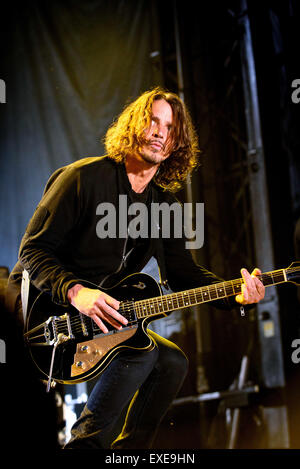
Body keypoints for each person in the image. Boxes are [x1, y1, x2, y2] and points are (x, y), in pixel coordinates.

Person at [6, 87, 265, 449]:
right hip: (41, 313)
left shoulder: (164, 206)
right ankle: (84, 445)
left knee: (172, 362)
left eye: (170, 128)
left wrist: (235, 294)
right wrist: (75, 292)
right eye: (153, 121)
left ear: (176, 144)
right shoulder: (82, 178)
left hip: (100, 318)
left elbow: (181, 272)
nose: (160, 132)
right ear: (133, 126)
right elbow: (32, 250)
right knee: (141, 352)